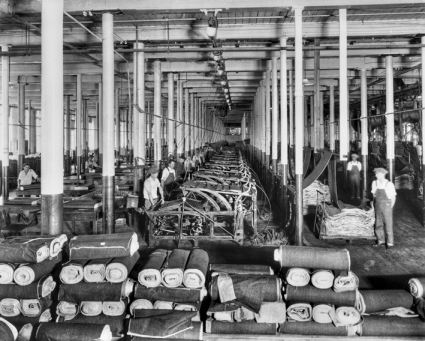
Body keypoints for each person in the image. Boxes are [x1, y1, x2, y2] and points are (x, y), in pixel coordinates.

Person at [371, 168, 397, 249]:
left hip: (387, 206)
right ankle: (380, 240)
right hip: (377, 204)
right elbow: (374, 195)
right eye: (375, 174)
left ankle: (390, 243)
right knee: (378, 223)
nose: (376, 175)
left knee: (388, 225)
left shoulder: (389, 184)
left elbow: (393, 197)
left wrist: (390, 207)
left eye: (377, 174)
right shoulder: (374, 183)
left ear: (382, 174)